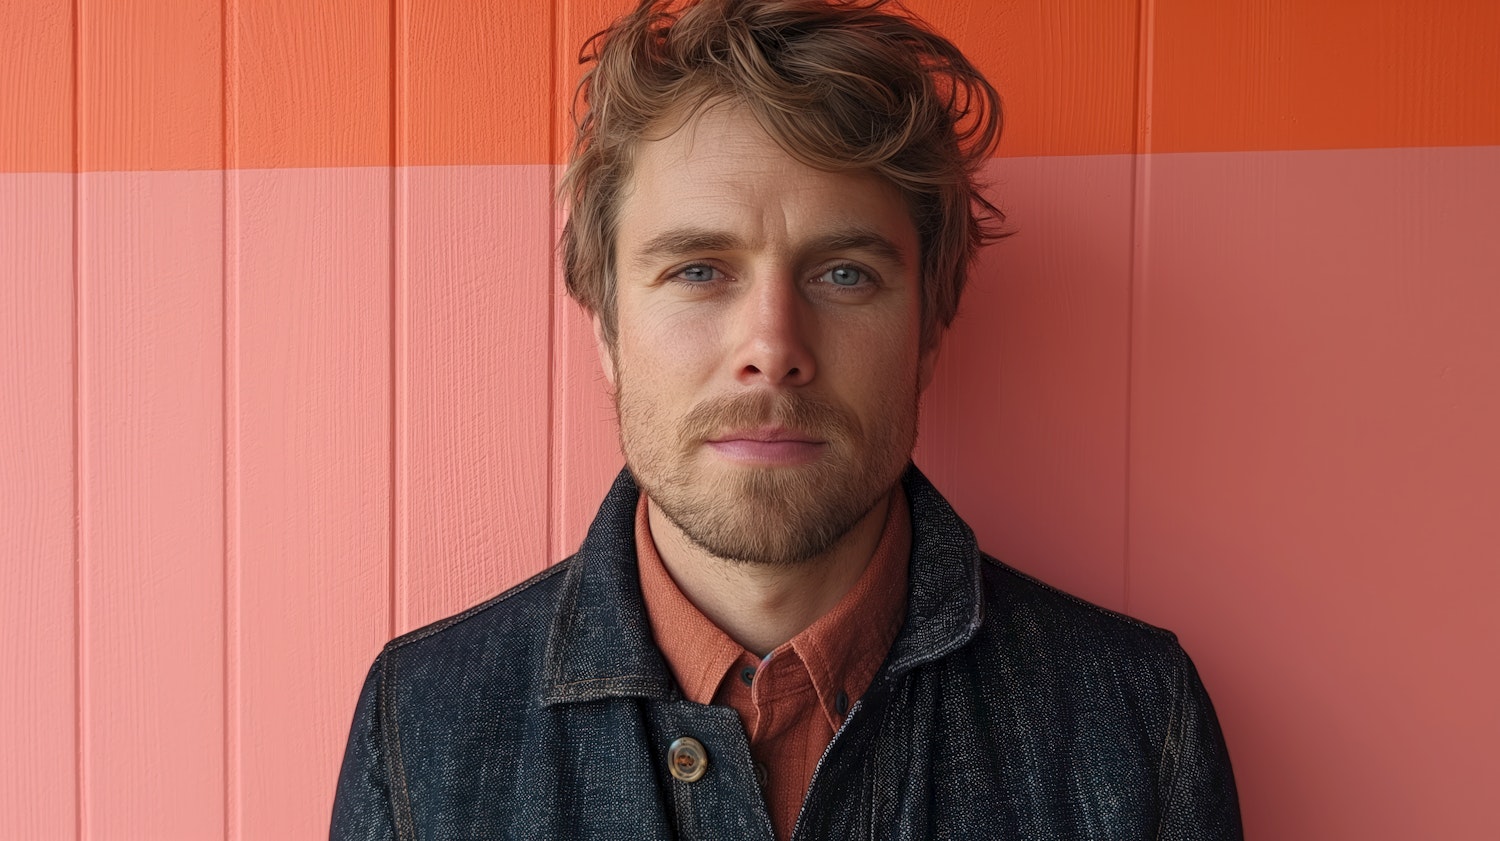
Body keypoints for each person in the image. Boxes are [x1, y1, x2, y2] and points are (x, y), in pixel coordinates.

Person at [331, 0, 1243, 838]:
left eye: (844, 273)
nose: (773, 346)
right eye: (698, 270)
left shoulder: (1133, 725)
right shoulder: (420, 730)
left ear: (929, 331)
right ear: (607, 326)